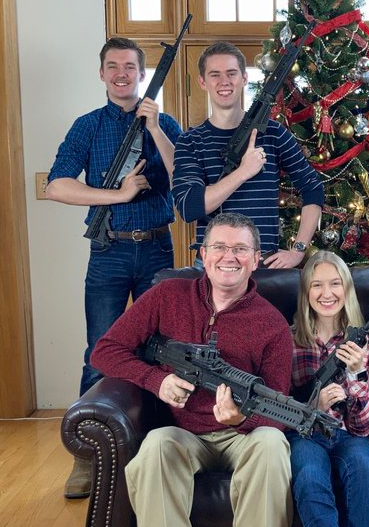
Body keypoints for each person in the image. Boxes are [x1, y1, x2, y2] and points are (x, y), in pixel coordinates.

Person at [90, 212, 294, 527]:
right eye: (220, 247)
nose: (229, 257)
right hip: (182, 433)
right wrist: (156, 380)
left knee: (271, 444)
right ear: (203, 254)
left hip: (245, 437)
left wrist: (242, 417)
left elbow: (279, 406)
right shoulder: (166, 295)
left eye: (240, 249)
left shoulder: (273, 324)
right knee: (155, 446)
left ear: (256, 259)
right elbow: (104, 351)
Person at [46, 37, 182, 498]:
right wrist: (117, 196)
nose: (122, 73)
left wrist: (158, 128)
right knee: (100, 350)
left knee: (161, 351)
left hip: (158, 252)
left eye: (130, 66)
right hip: (109, 251)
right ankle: (88, 459)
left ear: (142, 74)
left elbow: (186, 180)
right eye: (113, 66)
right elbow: (58, 186)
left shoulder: (164, 123)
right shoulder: (87, 127)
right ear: (101, 74)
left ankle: (156, 450)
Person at [172, 41, 324, 269]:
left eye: (231, 73)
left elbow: (312, 188)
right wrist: (243, 172)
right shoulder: (190, 141)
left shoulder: (273, 133)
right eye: (215, 75)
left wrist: (298, 251)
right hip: (214, 266)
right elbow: (189, 207)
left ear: (244, 78)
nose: (224, 81)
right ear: (202, 82)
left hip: (262, 264)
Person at [289, 251, 369, 527]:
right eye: (316, 285)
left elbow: (363, 429)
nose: (326, 293)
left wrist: (355, 375)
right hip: (304, 436)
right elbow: (277, 407)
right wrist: (313, 408)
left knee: (366, 466)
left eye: (335, 283)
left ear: (347, 289)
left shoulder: (363, 345)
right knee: (309, 474)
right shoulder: (289, 340)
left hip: (348, 436)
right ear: (306, 292)